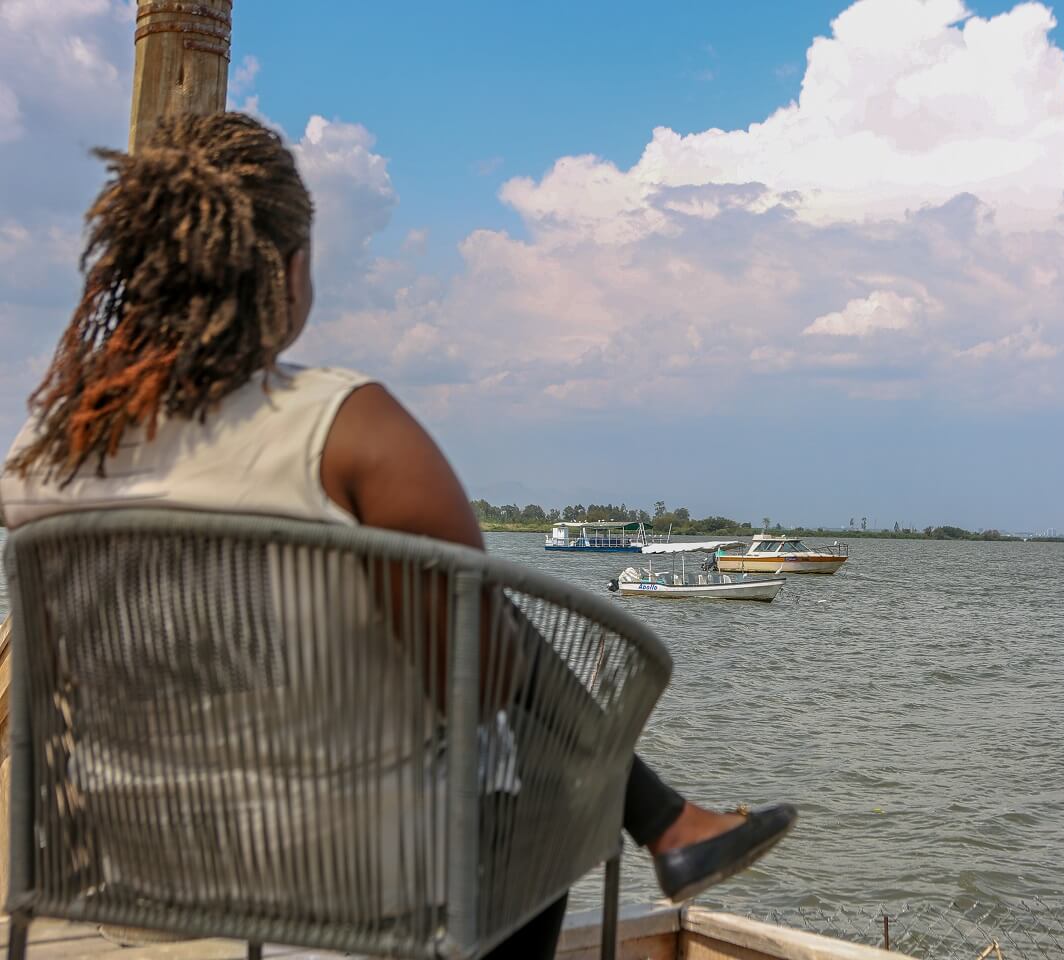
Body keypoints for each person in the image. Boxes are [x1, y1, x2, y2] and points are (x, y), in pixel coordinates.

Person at [0, 112, 796, 959]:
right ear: (289, 270)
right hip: (350, 879)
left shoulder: (40, 455)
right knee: (541, 768)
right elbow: (482, 687)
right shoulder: (345, 428)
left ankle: (671, 820)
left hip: (124, 862)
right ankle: (667, 821)